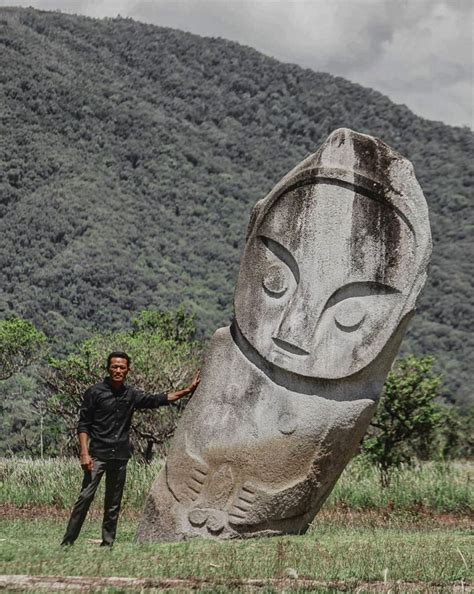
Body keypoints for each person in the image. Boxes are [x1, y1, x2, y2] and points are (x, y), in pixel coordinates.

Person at [61, 351, 200, 546]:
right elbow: (83, 424)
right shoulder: (94, 392)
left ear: (127, 370)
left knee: (113, 502)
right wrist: (84, 453)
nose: (118, 370)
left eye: (122, 367)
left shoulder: (131, 395)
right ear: (109, 368)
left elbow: (157, 399)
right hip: (97, 456)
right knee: (85, 497)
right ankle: (68, 542)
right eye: (115, 366)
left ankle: (107, 543)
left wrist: (187, 390)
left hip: (120, 456)